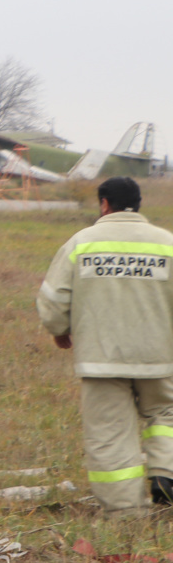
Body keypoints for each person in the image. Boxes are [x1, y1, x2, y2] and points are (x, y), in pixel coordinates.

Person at [35, 176, 173, 512]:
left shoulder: (82, 243)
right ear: (138, 204)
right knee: (167, 414)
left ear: (104, 204)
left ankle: (126, 513)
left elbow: (53, 301)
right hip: (160, 357)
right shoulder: (166, 244)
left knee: (110, 433)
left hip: (101, 359)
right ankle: (166, 474)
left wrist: (59, 329)